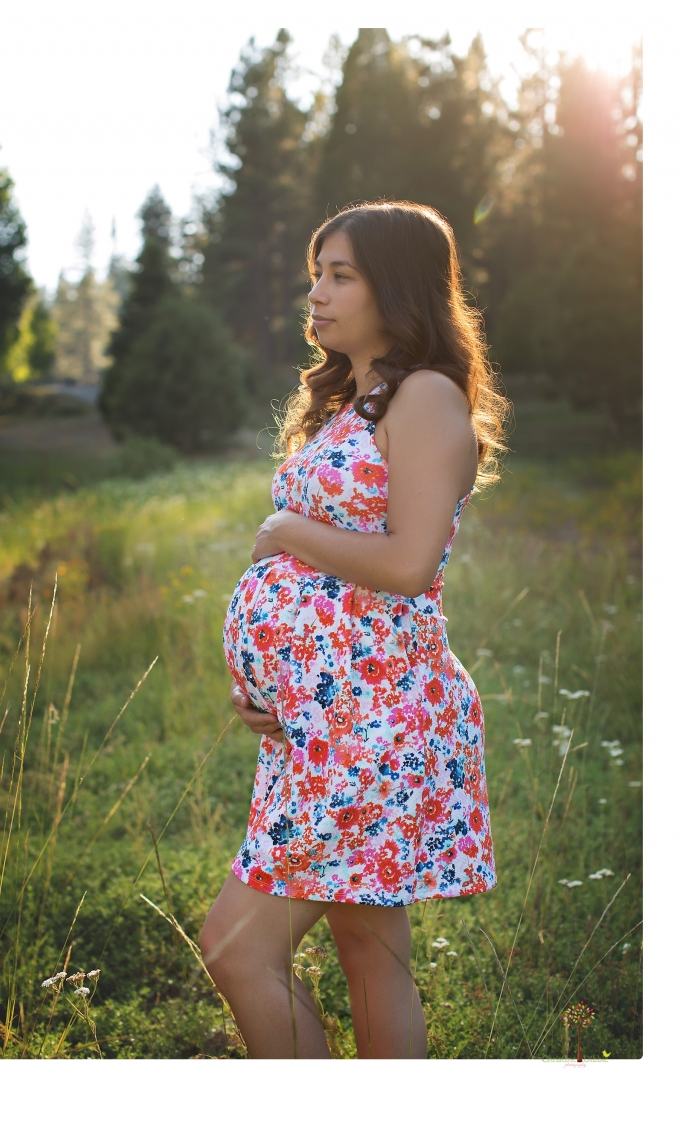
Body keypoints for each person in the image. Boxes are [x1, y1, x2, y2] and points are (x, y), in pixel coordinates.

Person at [199, 200, 508, 1058]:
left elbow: (409, 564)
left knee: (235, 946)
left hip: (375, 724)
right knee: (370, 955)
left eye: (341, 275)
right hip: (328, 722)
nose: (317, 293)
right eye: (315, 273)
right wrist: (266, 685)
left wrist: (286, 534)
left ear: (396, 288)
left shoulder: (426, 396)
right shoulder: (362, 402)